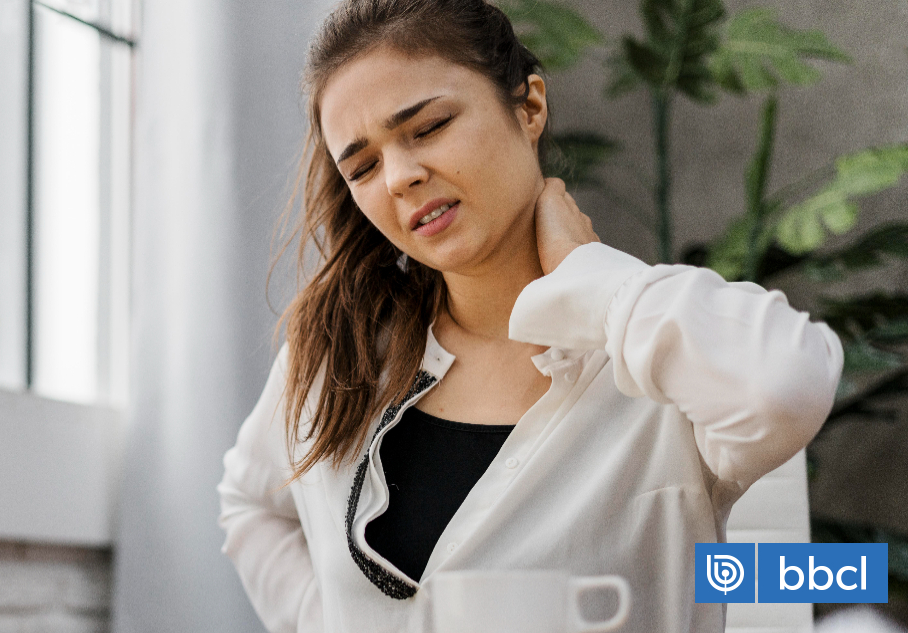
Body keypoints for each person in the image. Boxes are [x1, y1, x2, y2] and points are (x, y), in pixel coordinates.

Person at [216, 0, 844, 631]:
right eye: (363, 167)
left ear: (530, 107)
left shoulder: (653, 353)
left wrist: (588, 275)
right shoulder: (339, 354)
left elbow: (785, 387)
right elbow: (250, 503)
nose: (400, 177)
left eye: (428, 127)